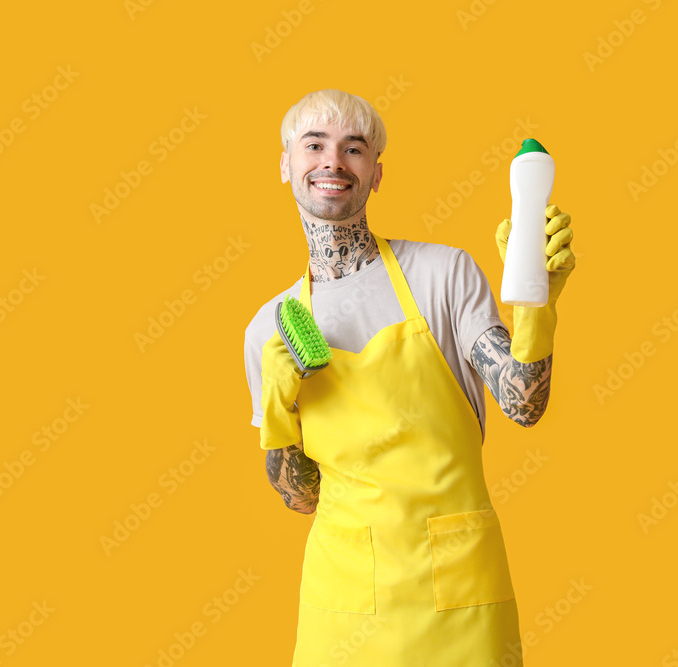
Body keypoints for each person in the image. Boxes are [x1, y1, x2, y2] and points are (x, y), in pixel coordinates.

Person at [243, 89, 575, 666]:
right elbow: (300, 497)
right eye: (314, 144)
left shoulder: (442, 273)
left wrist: (538, 307)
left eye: (355, 148)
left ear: (375, 174)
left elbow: (523, 404)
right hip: (343, 602)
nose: (332, 162)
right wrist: (278, 411)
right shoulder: (269, 329)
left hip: (458, 596)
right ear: (285, 164)